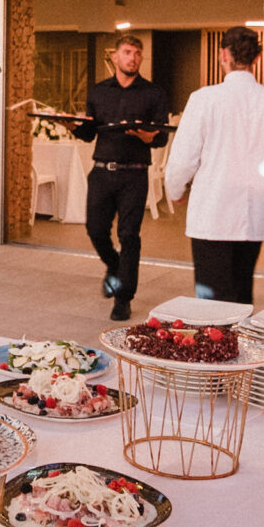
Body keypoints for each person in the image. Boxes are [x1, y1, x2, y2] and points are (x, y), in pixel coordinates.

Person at [162, 26, 264, 304]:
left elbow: (182, 158)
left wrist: (175, 191)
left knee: (211, 302)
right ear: (256, 59)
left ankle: (222, 344)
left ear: (223, 55)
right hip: (253, 215)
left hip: (212, 214)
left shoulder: (203, 99)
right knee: (242, 293)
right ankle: (242, 345)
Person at [71, 33, 171, 322]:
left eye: (137, 53)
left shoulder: (154, 94)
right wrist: (72, 126)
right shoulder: (98, 92)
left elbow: (161, 138)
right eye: (127, 52)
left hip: (134, 175)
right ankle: (114, 266)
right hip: (101, 172)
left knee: (129, 235)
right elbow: (90, 133)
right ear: (115, 56)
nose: (133, 58)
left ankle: (123, 298)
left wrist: (145, 136)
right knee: (95, 229)